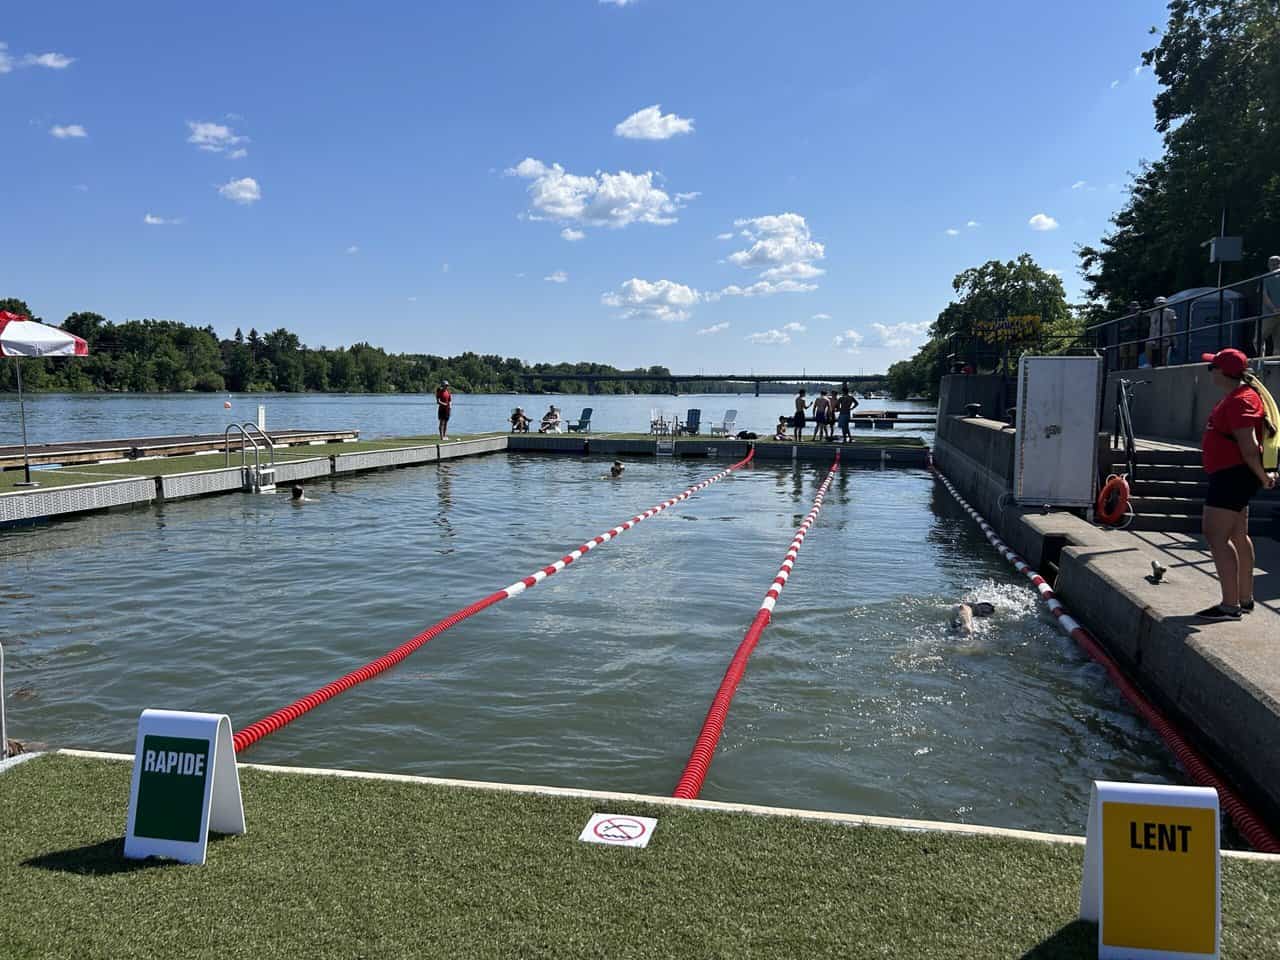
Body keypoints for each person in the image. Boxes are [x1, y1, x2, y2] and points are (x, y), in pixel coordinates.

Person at [1196, 348, 1277, 621]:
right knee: (1238, 534)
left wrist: (1264, 475)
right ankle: (1244, 598)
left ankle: (1230, 606)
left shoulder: (1241, 401)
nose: (1210, 371)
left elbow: (1249, 447)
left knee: (1215, 535)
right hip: (1232, 474)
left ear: (1222, 372)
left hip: (1231, 476)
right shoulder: (1239, 397)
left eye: (1212, 367)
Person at [1146, 297, 1176, 368]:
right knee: (1148, 346)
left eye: (1162, 303)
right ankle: (1150, 364)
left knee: (1163, 352)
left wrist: (1173, 337)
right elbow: (1145, 314)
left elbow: (1172, 324)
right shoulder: (1153, 312)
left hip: (1164, 334)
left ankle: (1163, 366)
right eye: (1159, 303)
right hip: (1153, 335)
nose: (1160, 304)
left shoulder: (1170, 312)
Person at [1260, 255, 1280, 357]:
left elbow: (1264, 295)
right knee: (1277, 341)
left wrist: (1273, 309)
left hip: (1269, 313)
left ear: (1269, 264)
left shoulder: (1266, 277)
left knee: (1259, 339)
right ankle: (1277, 362)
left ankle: (1260, 361)